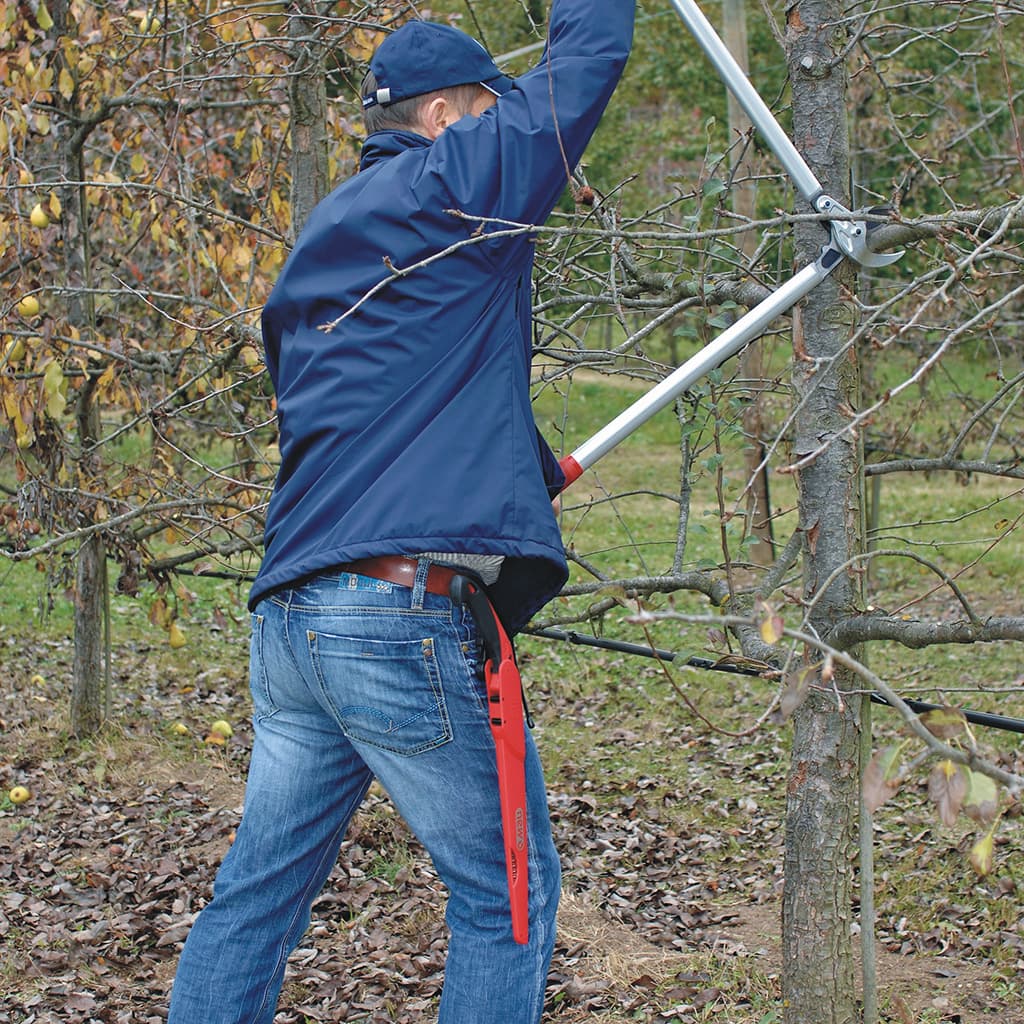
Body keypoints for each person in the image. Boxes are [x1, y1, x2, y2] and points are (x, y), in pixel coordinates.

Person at [167, 2, 634, 1021]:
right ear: (439, 118)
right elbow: (587, 55)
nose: (495, 127)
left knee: (255, 896)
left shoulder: (328, 240)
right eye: (483, 108)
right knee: (508, 898)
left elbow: (374, 418)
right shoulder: (456, 184)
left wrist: (507, 480)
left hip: (295, 622)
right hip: (391, 618)